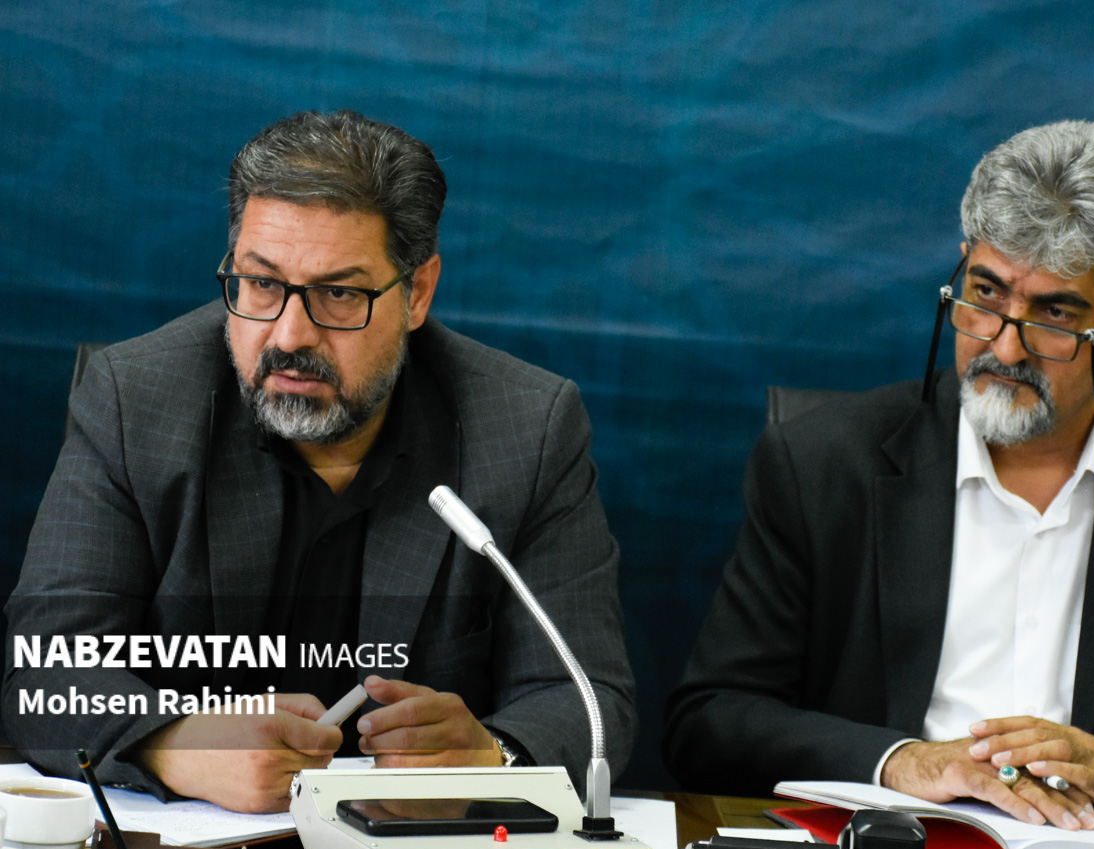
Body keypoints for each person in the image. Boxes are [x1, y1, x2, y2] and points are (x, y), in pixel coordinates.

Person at [663, 120, 1094, 831]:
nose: (1004, 348)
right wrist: (906, 762)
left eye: (1055, 313)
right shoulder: (823, 463)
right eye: (984, 294)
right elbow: (710, 723)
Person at [3, 110, 635, 813]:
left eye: (339, 293)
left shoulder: (525, 428)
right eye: (261, 283)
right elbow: (45, 671)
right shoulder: (138, 400)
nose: (289, 335)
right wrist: (178, 745)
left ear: (417, 293)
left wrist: (491, 758)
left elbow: (588, 700)